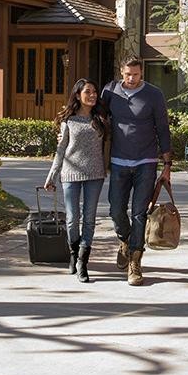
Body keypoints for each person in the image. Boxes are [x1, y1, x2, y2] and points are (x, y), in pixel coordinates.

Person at [101, 58, 172, 286]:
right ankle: (125, 239)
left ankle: (135, 261)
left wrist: (167, 164)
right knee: (116, 210)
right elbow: (97, 119)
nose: (131, 79)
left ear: (142, 73)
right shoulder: (110, 91)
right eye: (127, 74)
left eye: (136, 75)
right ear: (121, 71)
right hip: (119, 161)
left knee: (140, 213)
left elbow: (162, 127)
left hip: (146, 161)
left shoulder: (154, 94)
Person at [44, 79, 110, 283]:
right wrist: (52, 174)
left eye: (95, 92)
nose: (92, 95)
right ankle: (73, 253)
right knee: (73, 219)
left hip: (95, 174)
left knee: (89, 219)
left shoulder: (101, 118)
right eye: (87, 92)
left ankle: (83, 261)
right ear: (78, 95)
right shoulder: (68, 120)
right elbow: (61, 149)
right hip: (70, 174)